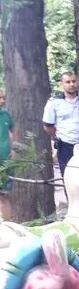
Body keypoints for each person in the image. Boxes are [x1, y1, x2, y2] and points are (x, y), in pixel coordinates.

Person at [42, 71, 79, 177]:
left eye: (74, 81)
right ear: (62, 84)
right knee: (68, 177)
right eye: (68, 82)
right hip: (65, 146)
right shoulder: (54, 102)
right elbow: (48, 126)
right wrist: (58, 136)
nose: (71, 84)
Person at [0, 90, 14, 220]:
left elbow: (13, 131)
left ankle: (7, 224)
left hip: (6, 161)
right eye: (0, 98)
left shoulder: (5, 114)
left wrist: (14, 149)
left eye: (3, 98)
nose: (2, 101)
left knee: (4, 194)